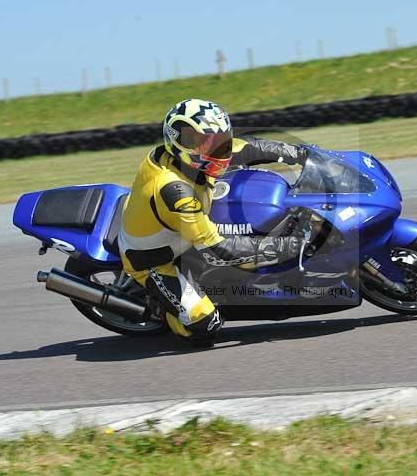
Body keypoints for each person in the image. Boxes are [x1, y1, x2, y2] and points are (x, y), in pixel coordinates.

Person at [118, 98, 308, 346]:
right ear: (181, 142)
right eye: (205, 142)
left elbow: (251, 147)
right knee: (206, 325)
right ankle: (162, 308)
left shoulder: (187, 157)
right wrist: (284, 247)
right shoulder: (175, 191)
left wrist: (302, 154)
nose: (218, 149)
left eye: (220, 140)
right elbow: (216, 249)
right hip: (153, 259)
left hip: (177, 226)